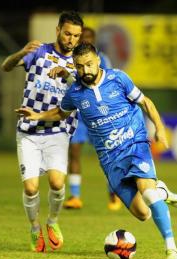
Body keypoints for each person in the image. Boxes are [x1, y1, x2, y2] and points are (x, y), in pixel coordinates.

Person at [16, 43, 177, 259]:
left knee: (148, 194)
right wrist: (37, 116)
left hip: (135, 146)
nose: (85, 70)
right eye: (79, 67)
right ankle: (162, 192)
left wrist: (160, 128)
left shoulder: (118, 79)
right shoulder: (75, 92)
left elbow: (145, 102)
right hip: (110, 160)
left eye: (89, 64)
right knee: (143, 214)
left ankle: (171, 248)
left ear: (97, 61)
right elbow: (61, 112)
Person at [1, 11, 83, 252]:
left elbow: (82, 89)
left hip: (58, 130)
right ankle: (35, 227)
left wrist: (67, 75)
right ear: (58, 30)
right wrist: (21, 53)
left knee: (57, 183)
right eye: (68, 33)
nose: (71, 39)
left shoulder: (79, 62)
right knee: (31, 188)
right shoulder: (38, 52)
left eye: (76, 36)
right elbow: (6, 66)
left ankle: (53, 222)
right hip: (28, 130)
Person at [64, 26, 122, 211]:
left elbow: (108, 83)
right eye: (84, 37)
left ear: (94, 40)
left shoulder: (102, 59)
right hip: (79, 116)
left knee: (109, 156)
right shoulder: (71, 60)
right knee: (73, 153)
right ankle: (75, 196)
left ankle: (114, 195)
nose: (86, 40)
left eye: (90, 37)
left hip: (99, 116)